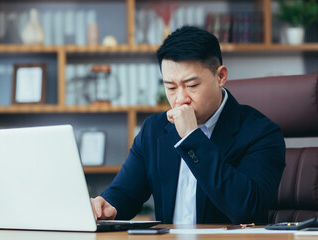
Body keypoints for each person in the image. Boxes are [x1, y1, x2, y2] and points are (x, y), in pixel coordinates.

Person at [90, 26, 286, 224]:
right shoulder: (154, 129)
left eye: (192, 86)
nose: (181, 99)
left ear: (221, 77)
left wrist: (192, 138)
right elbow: (125, 191)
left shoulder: (261, 133)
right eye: (171, 87)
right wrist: (109, 205)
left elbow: (248, 209)